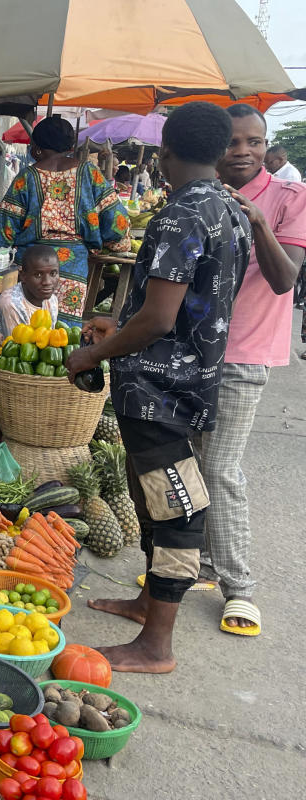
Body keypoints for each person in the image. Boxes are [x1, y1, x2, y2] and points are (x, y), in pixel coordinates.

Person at [66, 102, 251, 673]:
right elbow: (187, 308)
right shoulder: (230, 208)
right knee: (153, 494)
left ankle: (156, 646)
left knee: (175, 507)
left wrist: (95, 351)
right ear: (221, 151)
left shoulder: (181, 215)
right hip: (187, 379)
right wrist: (119, 328)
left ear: (165, 152)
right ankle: (148, 601)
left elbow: (160, 320)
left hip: (161, 391)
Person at [199, 104, 306, 636]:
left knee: (220, 468)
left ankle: (239, 587)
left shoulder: (289, 198)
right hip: (193, 350)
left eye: (255, 141)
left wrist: (256, 220)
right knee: (191, 463)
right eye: (233, 141)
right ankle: (197, 563)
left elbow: (285, 279)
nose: (243, 150)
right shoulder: (199, 194)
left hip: (244, 353)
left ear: (267, 146)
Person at [0, 117, 132, 327]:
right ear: (70, 146)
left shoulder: (27, 176)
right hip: (72, 267)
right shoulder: (89, 172)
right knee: (64, 335)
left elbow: (6, 227)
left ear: (37, 147)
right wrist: (110, 243)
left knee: (25, 333)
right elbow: (117, 222)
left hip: (32, 268)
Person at [0, 244, 61, 408]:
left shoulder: (51, 300)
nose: (47, 282)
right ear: (23, 276)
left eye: (53, 274)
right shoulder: (10, 304)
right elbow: (22, 358)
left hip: (22, 377)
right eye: (38, 275)